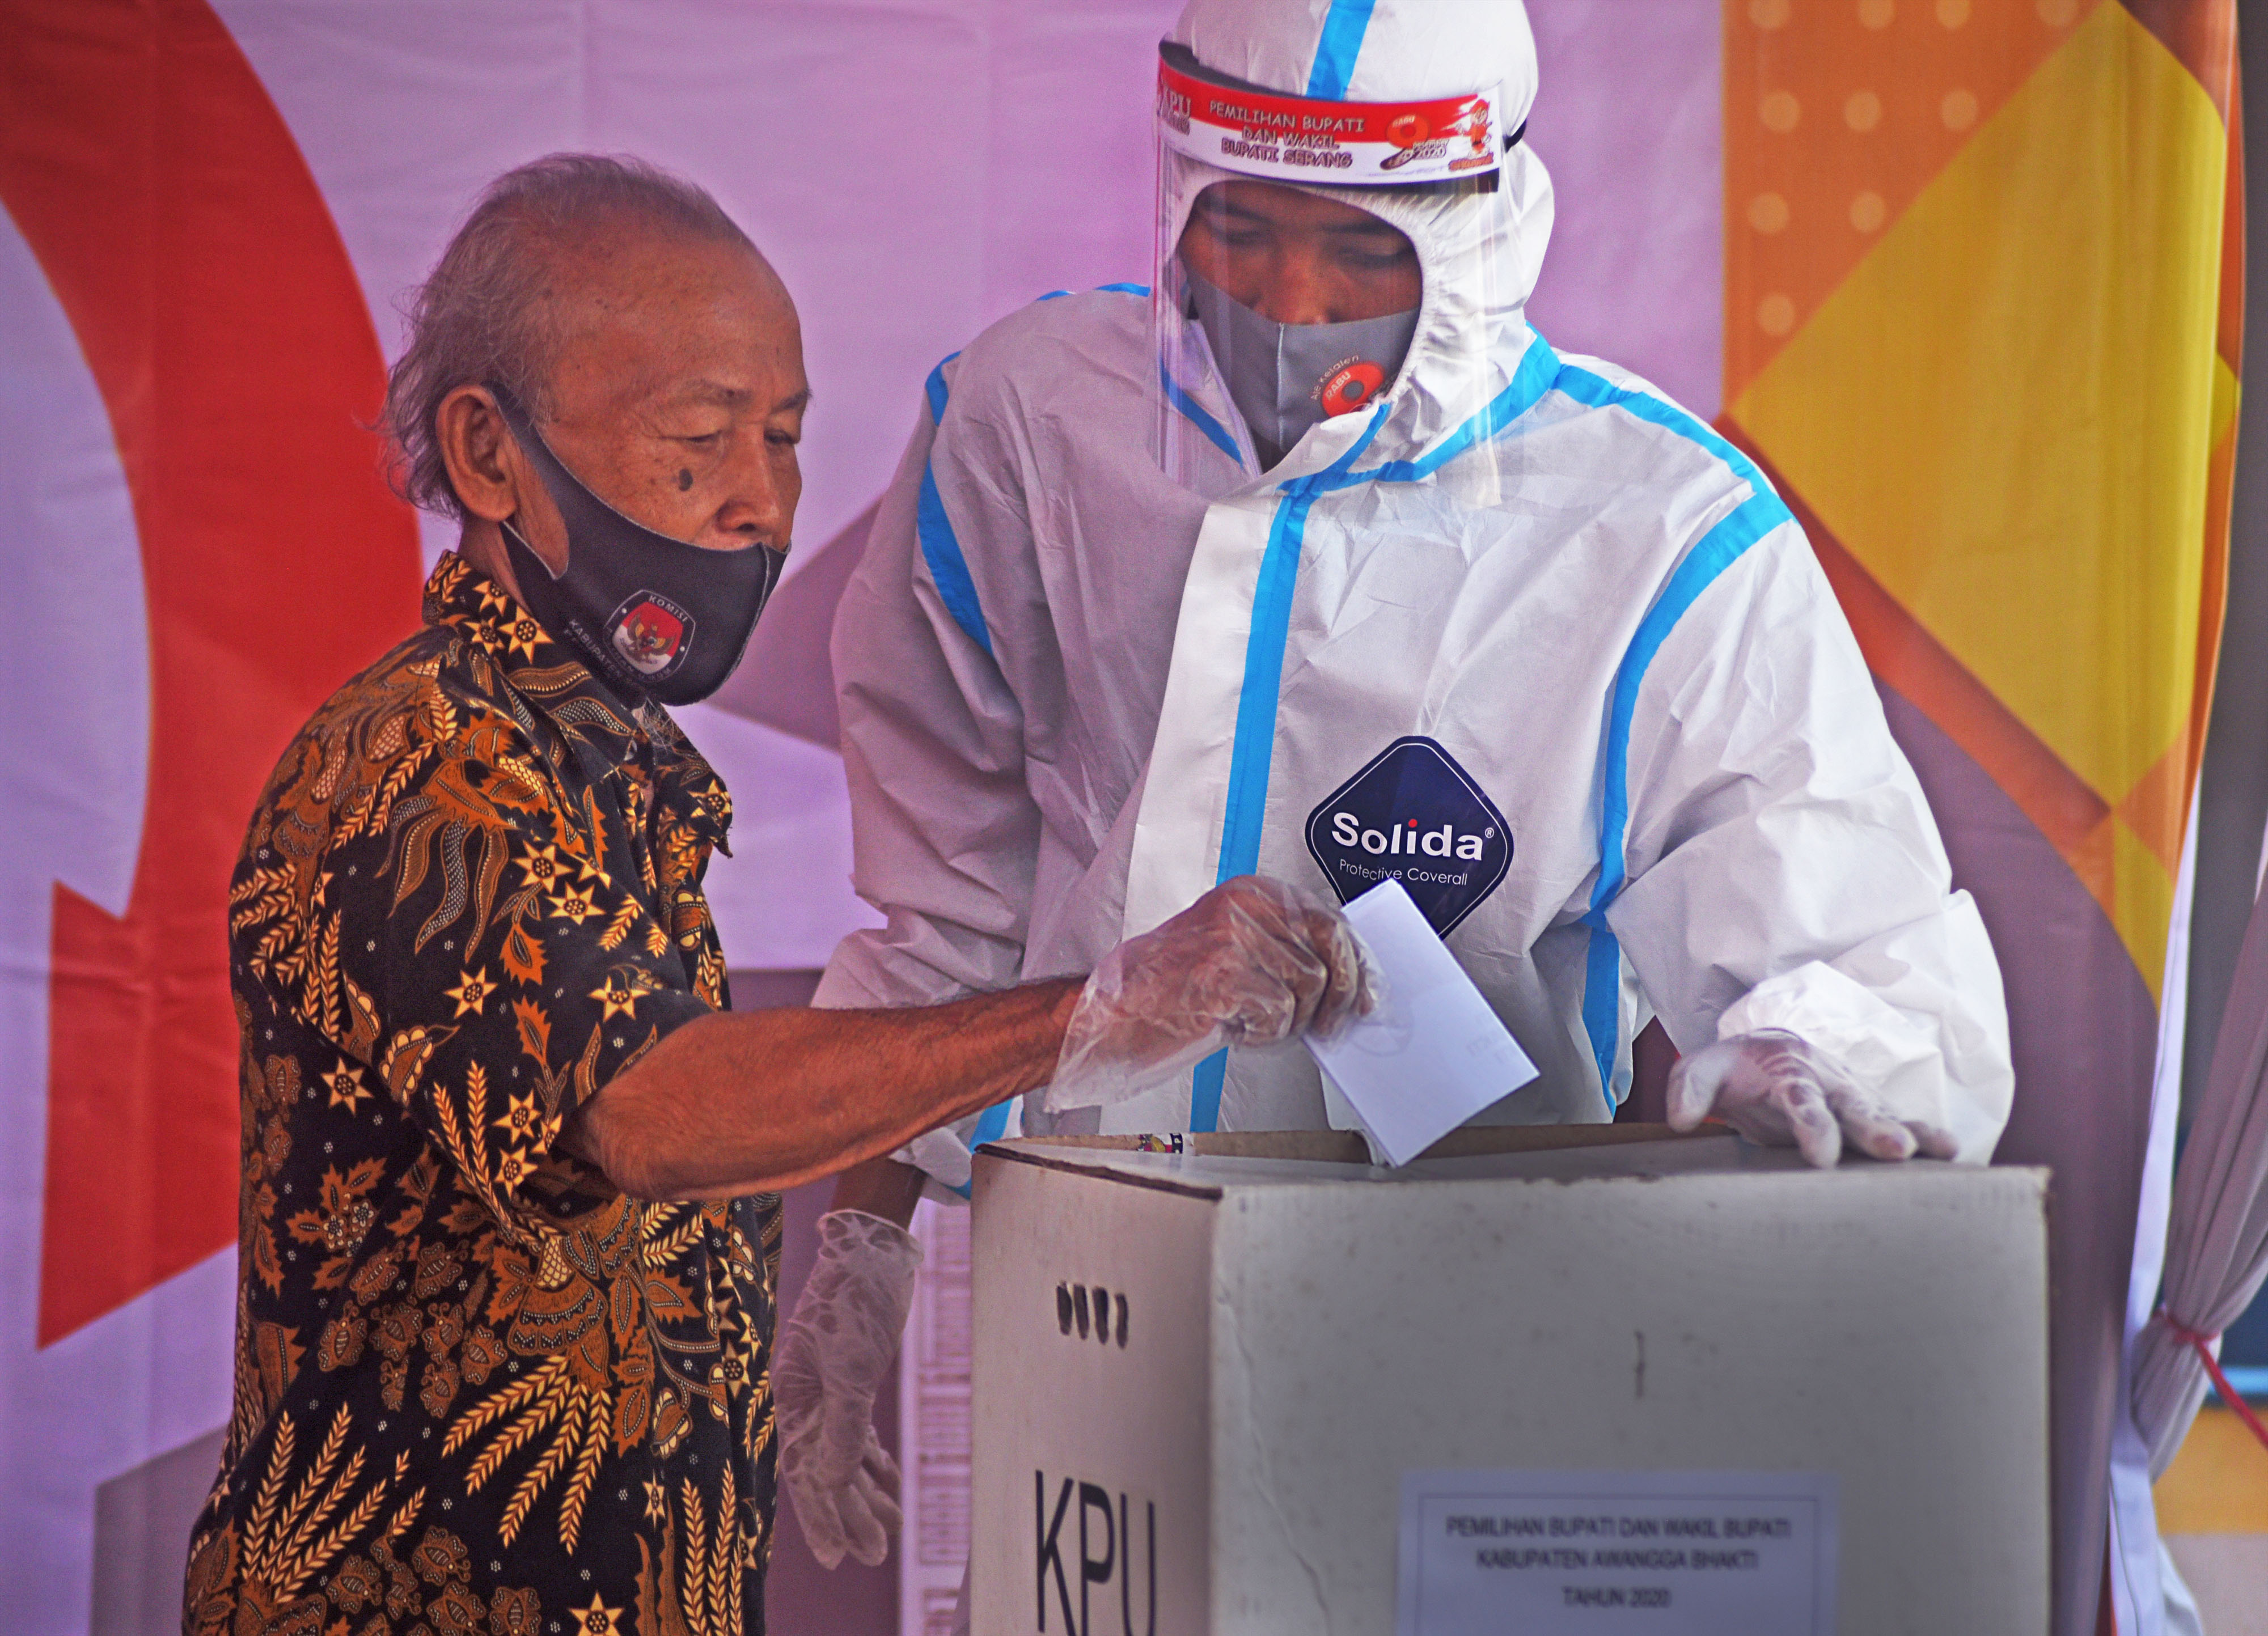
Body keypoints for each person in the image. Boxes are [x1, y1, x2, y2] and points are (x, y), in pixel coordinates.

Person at [785, 0, 2017, 1587]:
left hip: (1457, 1320)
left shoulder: (1653, 534)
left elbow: (1858, 949)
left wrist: (1809, 1055)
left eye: (1362, 250)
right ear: (1173, 189)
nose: (1289, 299)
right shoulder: (1031, 426)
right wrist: (865, 1250)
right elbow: (941, 923)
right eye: (1241, 228)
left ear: (1485, 223)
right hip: (1069, 1296)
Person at [183, 153, 1367, 1635]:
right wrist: (1100, 1013)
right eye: (697, 443)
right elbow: (653, 1111)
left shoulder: (611, 771)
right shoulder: (419, 772)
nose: (759, 503)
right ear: (488, 455)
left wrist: (838, 1285)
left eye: (787, 439)